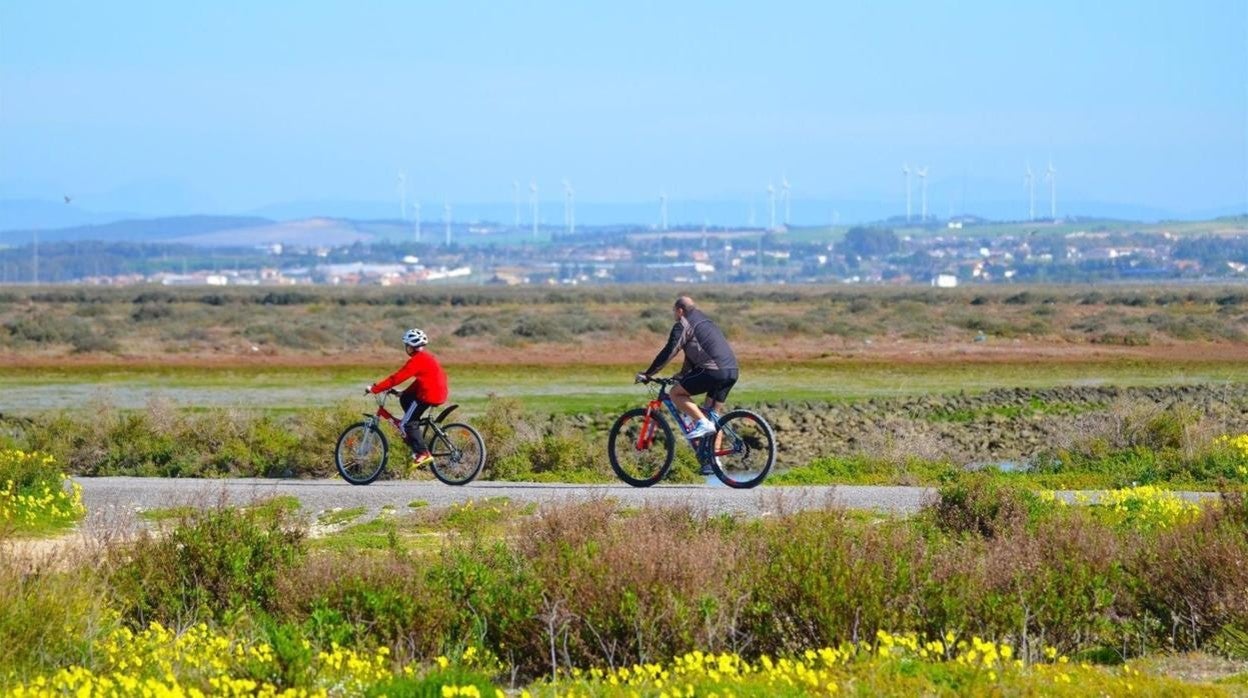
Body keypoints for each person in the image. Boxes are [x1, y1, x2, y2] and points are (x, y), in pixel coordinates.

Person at [636, 296, 739, 472]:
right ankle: (713, 462)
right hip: (732, 371)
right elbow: (695, 353)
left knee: (677, 394)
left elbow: (670, 351)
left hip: (713, 371)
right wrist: (682, 374)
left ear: (680, 310)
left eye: (674, 312)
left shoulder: (683, 324)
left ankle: (701, 423)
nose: (674, 315)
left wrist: (648, 374)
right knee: (713, 415)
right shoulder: (706, 322)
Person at [366, 328, 448, 468]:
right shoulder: (426, 358)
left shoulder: (416, 361)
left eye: (406, 345)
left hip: (428, 395)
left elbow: (396, 378)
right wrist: (403, 393)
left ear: (410, 346)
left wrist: (375, 389)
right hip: (436, 392)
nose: (406, 348)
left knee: (406, 424)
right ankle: (414, 433)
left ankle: (423, 453)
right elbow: (421, 381)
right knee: (405, 399)